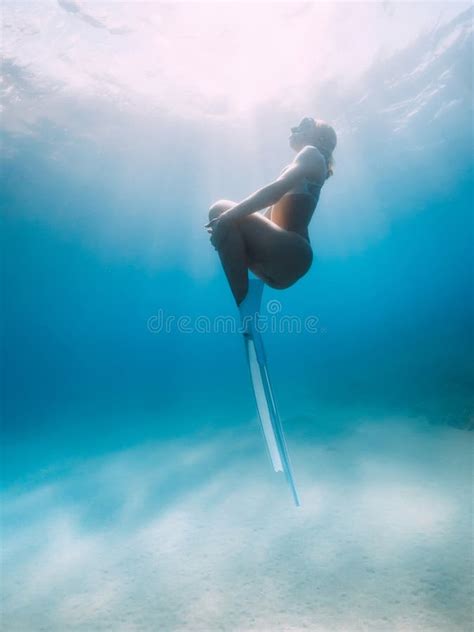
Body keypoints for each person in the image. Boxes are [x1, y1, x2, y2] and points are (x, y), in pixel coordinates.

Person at [204, 116, 337, 306]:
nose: (293, 128)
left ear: (320, 139)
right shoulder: (305, 164)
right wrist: (226, 230)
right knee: (225, 223)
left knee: (220, 209)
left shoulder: (312, 153)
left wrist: (225, 218)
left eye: (304, 125)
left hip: (292, 251)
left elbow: (274, 193)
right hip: (286, 264)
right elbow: (269, 218)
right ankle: (248, 315)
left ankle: (245, 305)